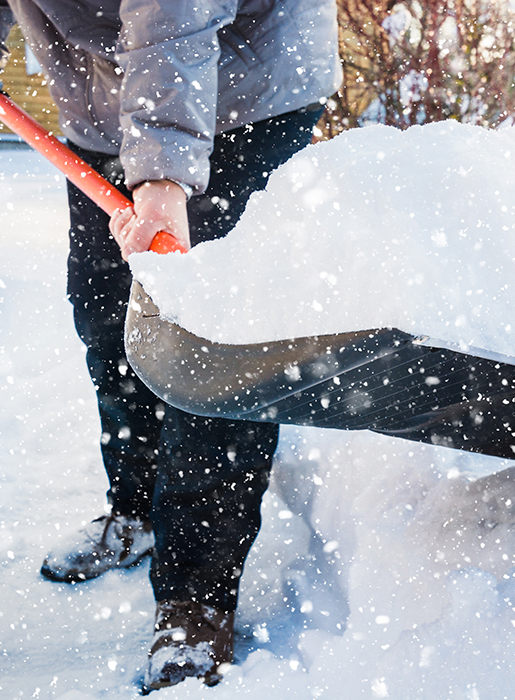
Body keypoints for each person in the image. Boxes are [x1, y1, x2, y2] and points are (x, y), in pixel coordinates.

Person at [0, 0, 341, 691]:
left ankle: (196, 593)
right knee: (109, 317)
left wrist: (161, 177)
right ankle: (136, 511)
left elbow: (172, 14)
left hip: (246, 90)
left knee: (213, 347)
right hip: (106, 101)